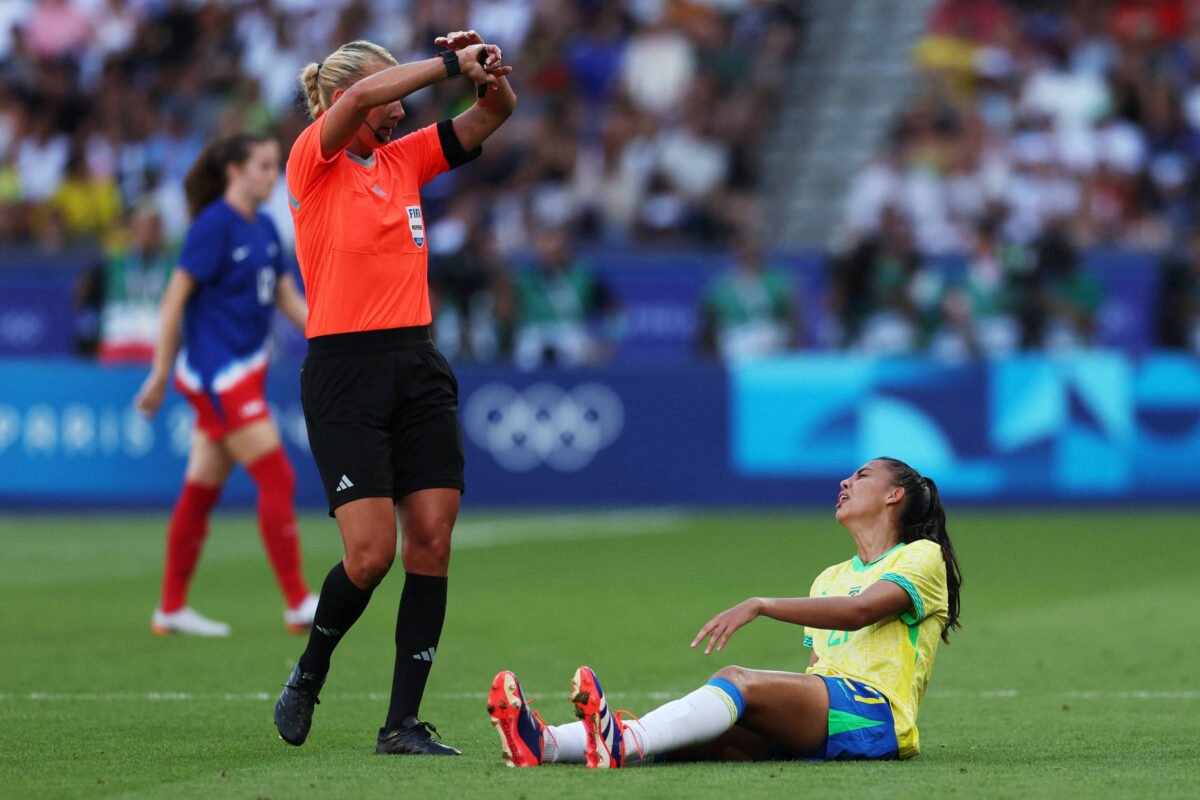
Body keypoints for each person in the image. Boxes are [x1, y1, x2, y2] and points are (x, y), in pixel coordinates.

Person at [271, 32, 515, 757]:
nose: (402, 108)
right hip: (345, 373)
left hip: (416, 363)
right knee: (371, 554)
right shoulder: (313, 161)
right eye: (394, 95)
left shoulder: (403, 160)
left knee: (432, 544)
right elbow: (358, 99)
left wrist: (487, 69)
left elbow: (495, 112)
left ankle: (401, 724)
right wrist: (445, 66)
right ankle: (310, 670)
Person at [487, 456, 962, 767]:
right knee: (697, 739)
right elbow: (818, 667)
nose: (844, 481)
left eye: (861, 476)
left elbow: (860, 612)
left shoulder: (920, 556)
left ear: (893, 494)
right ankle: (544, 744)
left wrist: (760, 604)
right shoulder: (829, 576)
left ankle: (615, 743)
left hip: (875, 717)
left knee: (736, 679)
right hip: (828, 711)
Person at [134, 133, 317, 638]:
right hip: (216, 374)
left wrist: (330, 335)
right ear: (234, 170)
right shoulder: (213, 225)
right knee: (277, 477)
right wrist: (158, 373)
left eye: (274, 165)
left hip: (243, 371)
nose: (271, 174)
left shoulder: (266, 229)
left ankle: (171, 607)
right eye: (262, 165)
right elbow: (174, 302)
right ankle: (299, 601)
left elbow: (285, 296)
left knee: (200, 490)